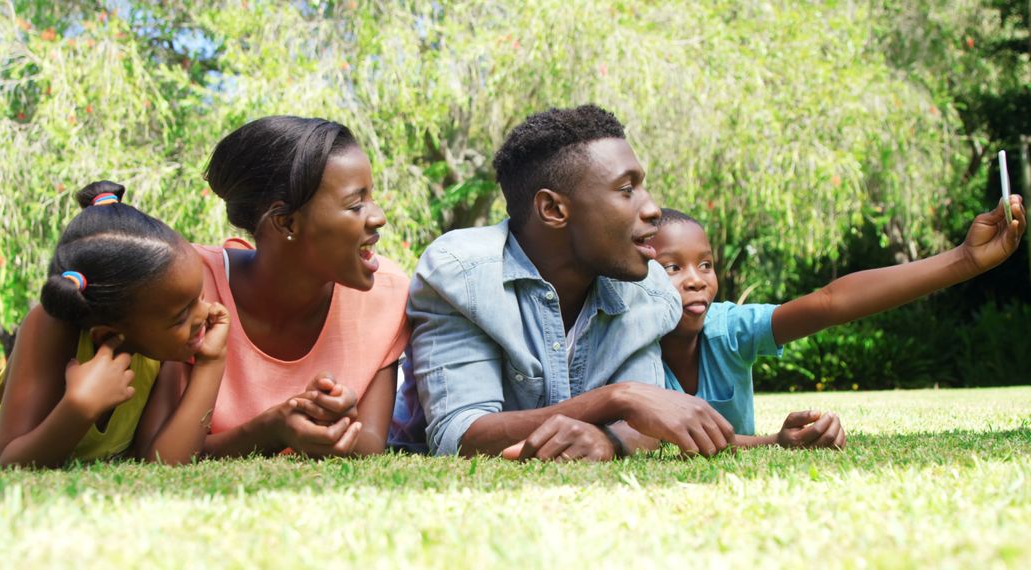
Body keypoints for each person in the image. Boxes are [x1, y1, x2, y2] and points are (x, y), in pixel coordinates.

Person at [390, 105, 737, 461]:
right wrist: (618, 397)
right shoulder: (463, 273)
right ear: (554, 210)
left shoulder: (649, 291)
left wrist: (610, 442)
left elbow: (647, 422)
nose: (652, 210)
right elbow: (457, 434)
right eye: (626, 189)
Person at [653, 195, 1025, 449]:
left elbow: (830, 302)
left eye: (706, 264)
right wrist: (773, 442)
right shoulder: (627, 348)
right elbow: (651, 442)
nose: (697, 279)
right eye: (673, 267)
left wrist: (966, 260)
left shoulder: (728, 330)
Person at [0, 181, 230, 468]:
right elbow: (9, 466)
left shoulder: (163, 348)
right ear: (108, 333)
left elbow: (163, 462)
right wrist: (80, 407)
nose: (203, 314)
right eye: (182, 316)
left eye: (200, 296)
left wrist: (212, 361)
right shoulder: (51, 326)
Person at [178, 116, 409, 458]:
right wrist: (271, 429)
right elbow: (164, 451)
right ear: (286, 222)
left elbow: (371, 446)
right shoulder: (190, 285)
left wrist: (341, 420)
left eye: (371, 198)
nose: (378, 217)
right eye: (355, 204)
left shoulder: (386, 296)